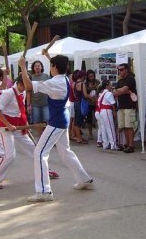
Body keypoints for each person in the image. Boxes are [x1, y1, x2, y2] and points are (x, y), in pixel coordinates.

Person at [19, 55, 94, 202]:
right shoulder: (64, 78)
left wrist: (22, 66)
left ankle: (44, 191)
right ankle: (84, 179)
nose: (50, 68)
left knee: (39, 153)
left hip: (57, 122)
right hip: (61, 119)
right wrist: (50, 57)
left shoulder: (54, 82)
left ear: (53, 67)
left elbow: (28, 86)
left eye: (51, 65)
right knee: (65, 152)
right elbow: (59, 68)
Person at [0, 74, 38, 186]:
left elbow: (20, 111)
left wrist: (25, 123)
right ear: (17, 83)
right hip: (5, 127)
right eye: (21, 85)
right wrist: (8, 124)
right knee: (10, 155)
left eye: (25, 86)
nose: (23, 88)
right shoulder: (8, 93)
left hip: (18, 126)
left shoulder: (22, 93)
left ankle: (44, 170)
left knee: (34, 149)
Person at [113, 63, 137, 153]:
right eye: (119, 70)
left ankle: (131, 145)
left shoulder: (130, 79)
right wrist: (122, 91)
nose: (120, 71)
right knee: (123, 126)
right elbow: (114, 92)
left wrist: (121, 91)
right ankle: (126, 144)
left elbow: (120, 90)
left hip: (129, 106)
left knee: (129, 126)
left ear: (127, 69)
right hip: (121, 106)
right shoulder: (120, 81)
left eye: (122, 69)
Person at [29, 60, 50, 137]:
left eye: (39, 65)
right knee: (37, 121)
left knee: (47, 120)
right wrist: (28, 104)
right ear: (33, 68)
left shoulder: (46, 76)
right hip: (35, 103)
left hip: (46, 102)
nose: (37, 67)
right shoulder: (31, 77)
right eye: (35, 66)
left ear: (41, 67)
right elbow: (28, 91)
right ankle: (40, 136)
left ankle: (46, 136)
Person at [98, 80, 118, 150]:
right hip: (106, 110)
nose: (111, 86)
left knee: (104, 128)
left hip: (101, 111)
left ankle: (105, 144)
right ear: (106, 86)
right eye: (110, 85)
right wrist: (114, 112)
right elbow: (112, 104)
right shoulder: (108, 93)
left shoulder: (102, 93)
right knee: (110, 127)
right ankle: (113, 145)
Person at [72, 70, 89, 144]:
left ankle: (78, 136)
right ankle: (79, 138)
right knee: (79, 121)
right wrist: (91, 98)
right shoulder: (82, 84)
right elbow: (85, 95)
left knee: (76, 119)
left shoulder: (74, 84)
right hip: (81, 103)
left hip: (76, 102)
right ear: (83, 76)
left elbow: (75, 95)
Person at [84, 69, 100, 139]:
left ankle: (100, 132)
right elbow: (85, 94)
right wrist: (90, 98)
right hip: (89, 103)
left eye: (92, 76)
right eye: (90, 76)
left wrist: (97, 97)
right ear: (87, 77)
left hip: (96, 102)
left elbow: (100, 91)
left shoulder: (97, 82)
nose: (91, 78)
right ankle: (90, 134)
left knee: (98, 117)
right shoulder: (85, 83)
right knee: (89, 119)